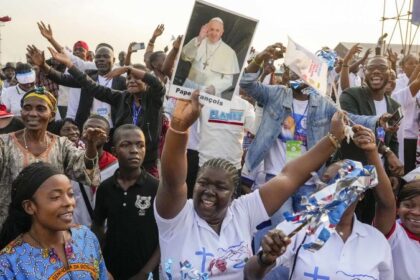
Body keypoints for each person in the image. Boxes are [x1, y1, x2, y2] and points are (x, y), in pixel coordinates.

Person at [154, 90, 347, 279]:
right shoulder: (177, 216)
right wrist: (179, 128)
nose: (208, 192)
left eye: (220, 187)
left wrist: (332, 140)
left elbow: (290, 177)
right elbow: (172, 183)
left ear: (233, 195)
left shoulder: (242, 212)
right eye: (202, 183)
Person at [244, 126, 395, 280]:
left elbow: (387, 204)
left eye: (345, 183)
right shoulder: (297, 227)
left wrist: (372, 152)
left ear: (361, 194)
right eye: (328, 181)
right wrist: (265, 259)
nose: (335, 189)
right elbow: (250, 274)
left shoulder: (376, 241)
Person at [43, 47, 165, 177]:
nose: (131, 81)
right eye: (129, 78)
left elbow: (158, 85)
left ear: (146, 82)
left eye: (137, 78)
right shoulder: (122, 98)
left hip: (147, 161)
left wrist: (128, 69)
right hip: (123, 160)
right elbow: (91, 85)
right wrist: (69, 64)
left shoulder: (153, 100)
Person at [0, 86, 104, 230]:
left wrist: (91, 146)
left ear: (52, 115)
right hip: (10, 226)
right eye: (27, 108)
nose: (32, 113)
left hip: (50, 225)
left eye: (41, 109)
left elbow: (86, 174)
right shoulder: (4, 143)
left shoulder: (62, 145)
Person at [0, 162, 108, 279]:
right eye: (56, 197)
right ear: (29, 207)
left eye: (70, 194)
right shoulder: (8, 263)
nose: (68, 202)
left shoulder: (86, 237)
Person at [93, 124, 159, 280]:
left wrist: (145, 273)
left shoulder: (156, 188)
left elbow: (165, 235)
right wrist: (98, 262)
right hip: (111, 270)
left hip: (145, 271)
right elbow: (97, 225)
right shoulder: (105, 187)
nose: (134, 150)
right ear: (114, 151)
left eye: (140, 145)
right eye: (126, 145)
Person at [72, 115, 118, 226]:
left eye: (98, 130)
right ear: (82, 134)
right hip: (76, 231)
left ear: (107, 138)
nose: (92, 133)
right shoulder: (70, 162)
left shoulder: (116, 167)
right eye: (88, 129)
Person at [181, 17, 240, 97]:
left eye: (217, 30)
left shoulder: (229, 52)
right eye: (212, 29)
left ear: (222, 32)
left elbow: (228, 80)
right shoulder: (199, 41)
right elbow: (184, 56)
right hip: (189, 87)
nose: (214, 33)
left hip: (210, 93)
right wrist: (199, 38)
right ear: (207, 29)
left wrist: (215, 88)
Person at [385, 178, 420, 280]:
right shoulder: (393, 232)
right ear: (397, 208)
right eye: (408, 205)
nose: (417, 212)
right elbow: (385, 203)